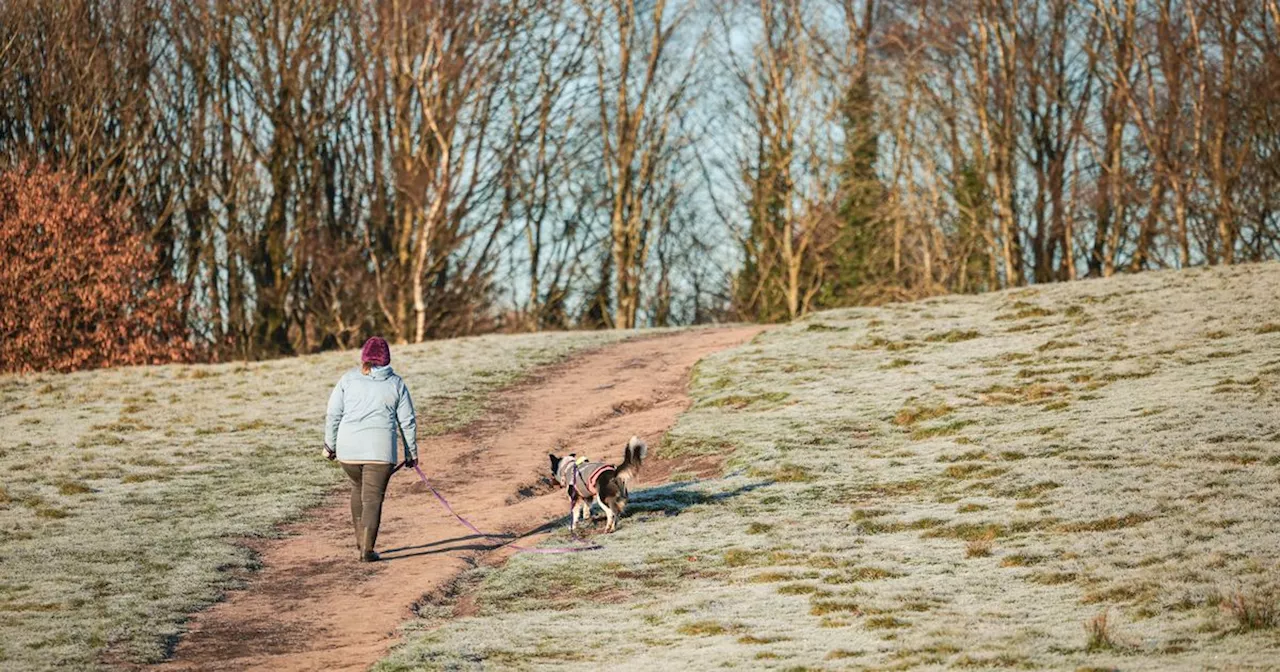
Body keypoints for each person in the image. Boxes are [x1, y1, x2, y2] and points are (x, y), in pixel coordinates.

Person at [323, 336, 418, 562]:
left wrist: (330, 444)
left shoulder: (347, 379)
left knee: (358, 488)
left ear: (364, 357)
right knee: (372, 499)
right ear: (387, 360)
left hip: (348, 451)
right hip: (380, 452)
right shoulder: (396, 384)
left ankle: (360, 543)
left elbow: (333, 414)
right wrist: (411, 453)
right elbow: (407, 422)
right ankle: (367, 550)